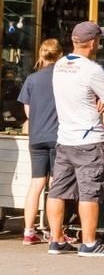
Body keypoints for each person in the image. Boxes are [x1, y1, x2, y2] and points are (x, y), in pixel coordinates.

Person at [48, 22, 104, 257]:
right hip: (89, 139)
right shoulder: (92, 69)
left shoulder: (60, 65)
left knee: (58, 190)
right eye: (99, 39)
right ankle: (89, 243)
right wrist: (103, 101)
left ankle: (56, 239)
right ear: (92, 43)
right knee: (90, 191)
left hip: (65, 138)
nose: (100, 43)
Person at [18, 39, 63, 246]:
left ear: (41, 54)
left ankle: (28, 232)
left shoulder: (32, 79)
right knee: (56, 184)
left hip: (36, 137)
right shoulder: (63, 78)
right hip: (58, 136)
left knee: (36, 183)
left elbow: (28, 111)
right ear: (60, 55)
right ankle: (55, 233)